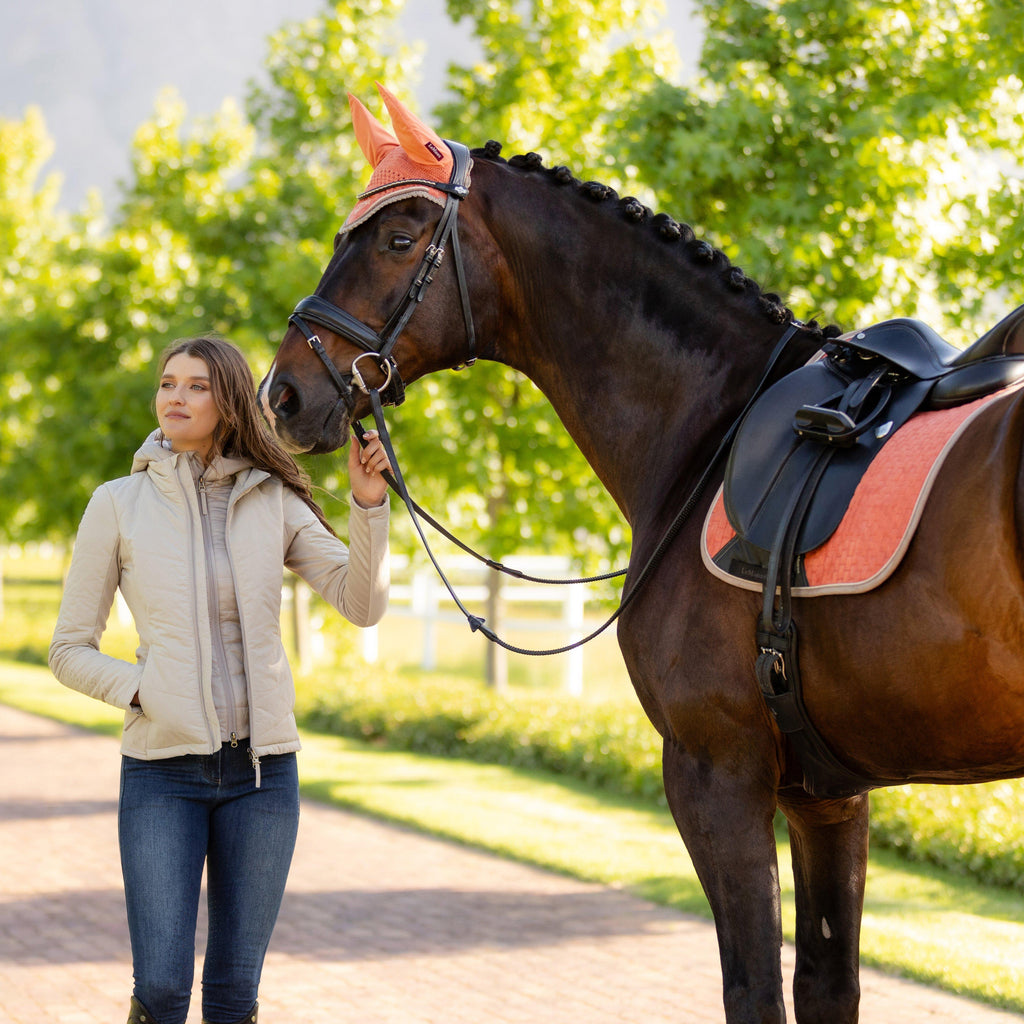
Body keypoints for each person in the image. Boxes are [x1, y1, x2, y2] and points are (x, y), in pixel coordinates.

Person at [49, 335, 392, 1024]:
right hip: (162, 774)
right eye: (167, 383)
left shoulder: (274, 500)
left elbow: (362, 603)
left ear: (229, 400)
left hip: (262, 778)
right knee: (162, 988)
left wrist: (368, 505)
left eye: (196, 385)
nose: (175, 396)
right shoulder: (117, 504)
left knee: (234, 994)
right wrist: (142, 689)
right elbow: (68, 649)